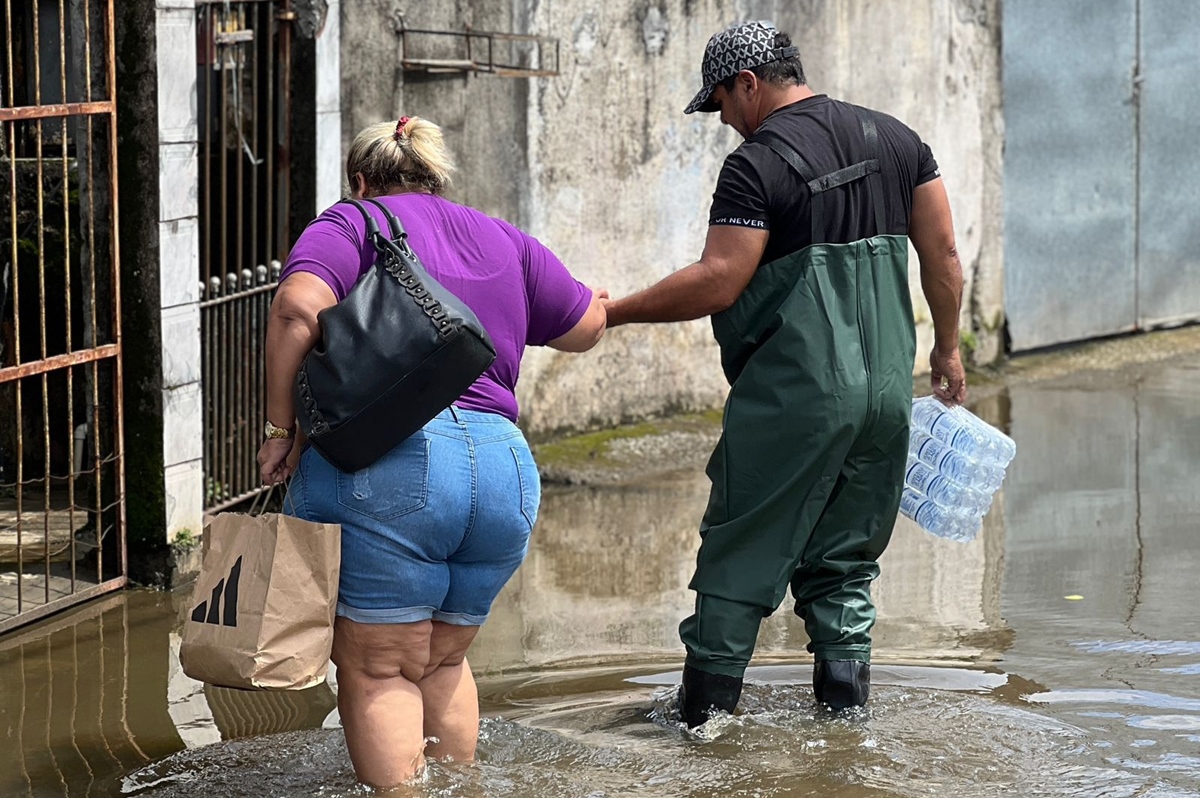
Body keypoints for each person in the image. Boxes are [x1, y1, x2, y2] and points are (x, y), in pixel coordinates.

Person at [602, 20, 968, 727]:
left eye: (723, 106)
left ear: (748, 83)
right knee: (846, 560)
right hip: (888, 395)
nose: (727, 125)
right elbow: (944, 253)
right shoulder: (898, 140)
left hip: (796, 395)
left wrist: (616, 313)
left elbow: (718, 280)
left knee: (740, 553)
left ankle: (702, 729)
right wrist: (946, 350)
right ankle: (844, 723)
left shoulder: (757, 165)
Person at [256, 116, 607, 788]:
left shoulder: (351, 224)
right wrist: (602, 303)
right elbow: (585, 324)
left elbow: (296, 312)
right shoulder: (505, 239)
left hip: (393, 469)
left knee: (381, 667)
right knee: (442, 661)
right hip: (505, 475)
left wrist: (278, 432)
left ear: (361, 181)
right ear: (439, 178)